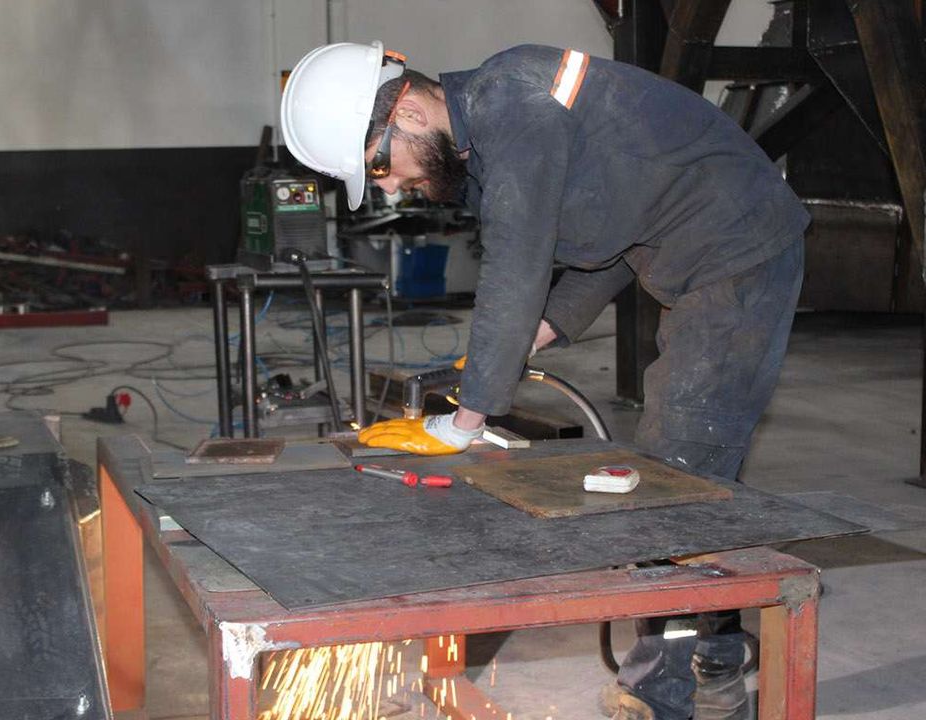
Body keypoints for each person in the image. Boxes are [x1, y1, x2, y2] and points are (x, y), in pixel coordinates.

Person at [280, 41, 808, 720]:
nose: (386, 187)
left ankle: (661, 692)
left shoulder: (515, 109)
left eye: (379, 165)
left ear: (407, 111)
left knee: (676, 475)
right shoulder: (485, 138)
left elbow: (514, 270)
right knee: (692, 476)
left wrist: (467, 419)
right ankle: (720, 654)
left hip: (739, 251)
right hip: (680, 244)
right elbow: (609, 238)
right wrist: (539, 331)